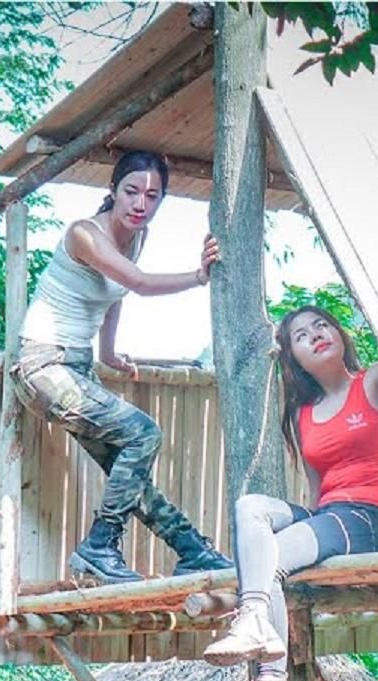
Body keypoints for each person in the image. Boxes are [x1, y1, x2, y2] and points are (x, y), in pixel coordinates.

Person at [12, 150, 231, 583]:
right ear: (112, 190)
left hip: (76, 367)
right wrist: (199, 276)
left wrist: (109, 353)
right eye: (131, 192)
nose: (140, 204)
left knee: (127, 473)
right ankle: (99, 546)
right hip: (43, 367)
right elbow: (138, 283)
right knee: (144, 433)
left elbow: (114, 297)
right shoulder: (84, 235)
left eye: (152, 197)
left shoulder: (137, 235)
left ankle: (191, 550)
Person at [204, 305, 378, 681]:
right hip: (331, 516)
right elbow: (318, 492)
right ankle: (260, 633)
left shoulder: (375, 380)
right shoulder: (304, 416)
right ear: (294, 358)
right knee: (250, 509)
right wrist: (306, 542)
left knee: (269, 562)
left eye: (322, 325)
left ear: (339, 334)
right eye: (300, 335)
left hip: (376, 519)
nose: (315, 334)